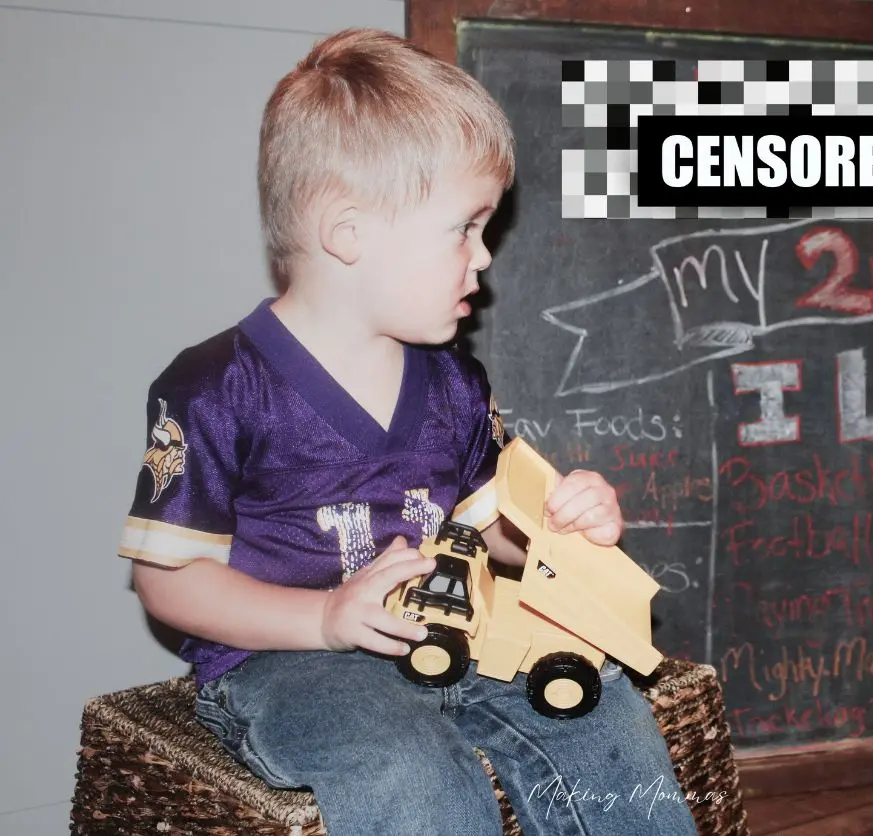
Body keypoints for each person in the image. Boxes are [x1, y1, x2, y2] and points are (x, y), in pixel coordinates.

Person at [117, 28, 699, 836]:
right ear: (348, 233)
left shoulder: (453, 382)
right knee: (412, 775)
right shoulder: (216, 387)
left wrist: (557, 525)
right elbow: (168, 583)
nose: (484, 258)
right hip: (292, 661)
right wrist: (321, 622)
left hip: (462, 631)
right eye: (464, 227)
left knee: (604, 713)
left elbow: (493, 527)